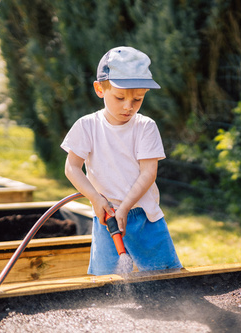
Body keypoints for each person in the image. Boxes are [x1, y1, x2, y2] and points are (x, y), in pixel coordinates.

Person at [61, 46, 182, 275]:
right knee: (106, 281)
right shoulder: (87, 127)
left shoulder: (145, 127)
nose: (129, 106)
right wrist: (96, 199)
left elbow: (148, 173)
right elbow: (72, 167)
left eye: (138, 99)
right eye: (120, 97)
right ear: (99, 89)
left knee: (166, 278)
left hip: (145, 216)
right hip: (106, 217)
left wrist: (125, 207)